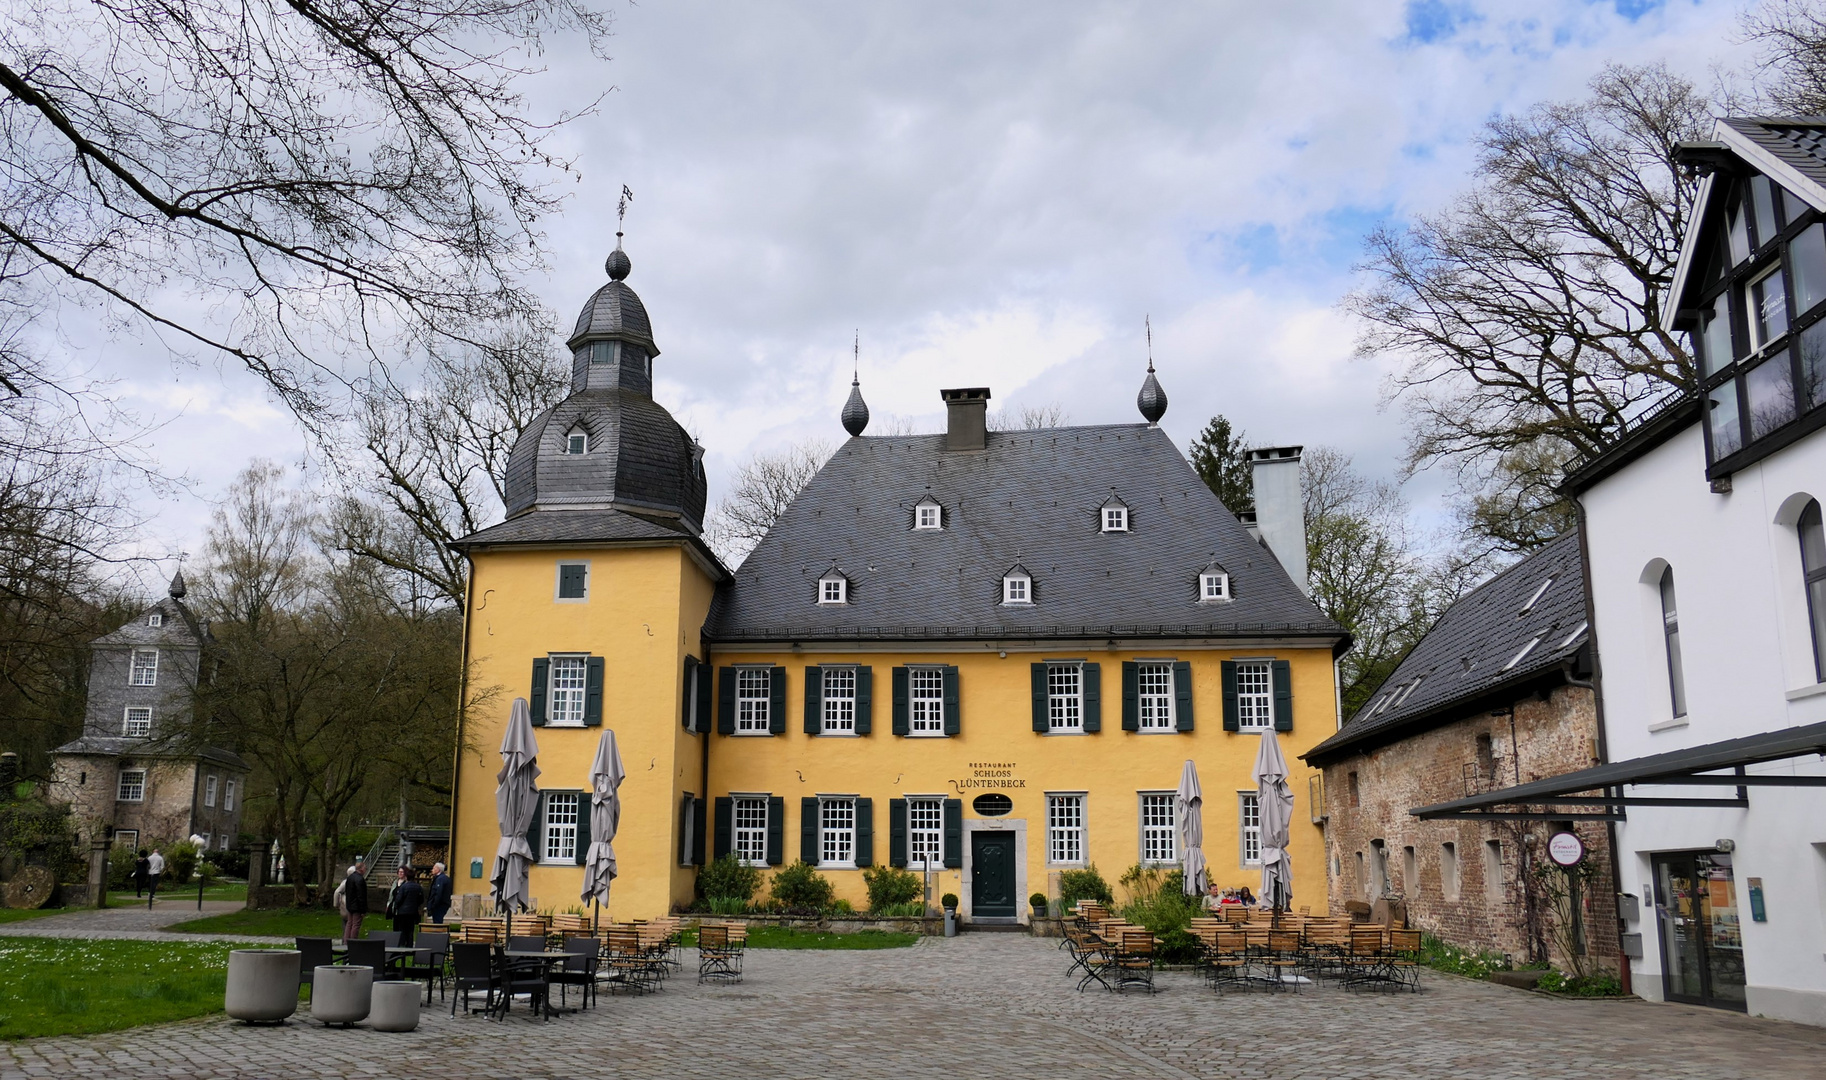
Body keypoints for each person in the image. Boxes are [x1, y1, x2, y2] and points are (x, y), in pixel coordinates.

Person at [387, 866, 425, 946]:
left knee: (402, 929)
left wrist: (397, 906)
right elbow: (421, 899)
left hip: (403, 911)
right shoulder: (418, 887)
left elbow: (399, 899)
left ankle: (402, 943)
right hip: (413, 911)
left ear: (406, 876)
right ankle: (410, 944)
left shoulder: (404, 887)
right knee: (411, 929)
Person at [341, 859, 368, 943]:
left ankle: (346, 941)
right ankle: (353, 942)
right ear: (361, 869)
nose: (365, 869)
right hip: (357, 906)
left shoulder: (350, 878)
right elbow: (361, 895)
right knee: (356, 925)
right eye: (365, 868)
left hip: (350, 905)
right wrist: (363, 910)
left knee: (349, 924)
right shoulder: (360, 880)